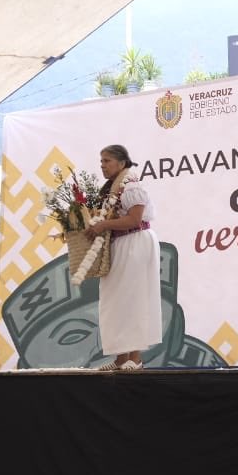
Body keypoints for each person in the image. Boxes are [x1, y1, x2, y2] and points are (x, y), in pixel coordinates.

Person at [83, 145, 162, 370]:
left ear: (121, 163)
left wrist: (103, 224)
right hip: (121, 244)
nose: (102, 165)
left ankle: (134, 359)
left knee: (133, 298)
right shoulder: (113, 187)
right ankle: (120, 359)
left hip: (135, 241)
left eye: (106, 161)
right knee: (116, 301)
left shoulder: (131, 184)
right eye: (101, 161)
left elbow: (135, 219)